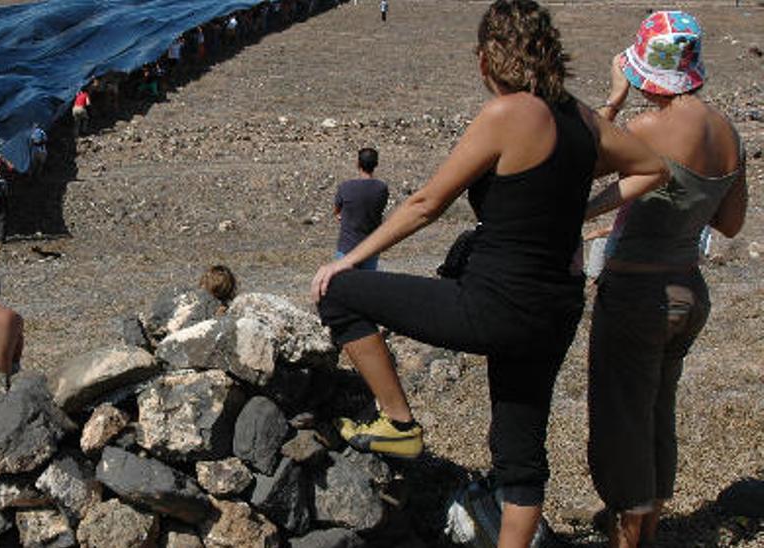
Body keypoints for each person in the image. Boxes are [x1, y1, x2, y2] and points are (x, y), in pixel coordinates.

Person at [308, 1, 668, 545]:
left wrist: (349, 258)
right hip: (556, 311)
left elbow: (428, 202)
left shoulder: (508, 114)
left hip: (494, 305)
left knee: (341, 296)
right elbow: (653, 167)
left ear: (485, 60)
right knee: (520, 456)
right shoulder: (582, 118)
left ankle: (399, 425)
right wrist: (582, 212)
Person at [586, 12, 747, 548]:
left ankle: (629, 536)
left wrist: (613, 97)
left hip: (637, 291)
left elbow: (579, 164)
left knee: (622, 418)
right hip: (688, 291)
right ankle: (649, 527)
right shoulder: (729, 133)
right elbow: (729, 224)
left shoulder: (646, 128)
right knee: (657, 411)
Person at [333, 148, 390, 269]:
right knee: (367, 285)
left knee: (344, 283)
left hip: (347, 246)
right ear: (376, 164)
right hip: (371, 246)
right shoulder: (381, 188)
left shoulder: (346, 187)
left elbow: (337, 211)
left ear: (358, 164)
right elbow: (381, 208)